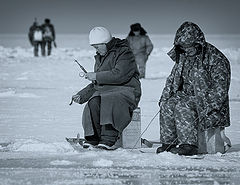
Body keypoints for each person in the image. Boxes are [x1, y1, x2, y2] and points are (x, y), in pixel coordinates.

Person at [157, 22, 231, 156]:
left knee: (183, 106)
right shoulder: (183, 57)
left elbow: (220, 90)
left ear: (198, 43)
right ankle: (168, 143)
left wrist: (206, 106)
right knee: (168, 105)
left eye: (189, 47)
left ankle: (189, 145)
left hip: (209, 104)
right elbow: (172, 80)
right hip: (186, 96)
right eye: (183, 48)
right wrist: (164, 98)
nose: (186, 51)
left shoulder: (216, 59)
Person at [71, 27, 141, 150]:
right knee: (94, 101)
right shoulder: (100, 57)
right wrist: (81, 95)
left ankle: (109, 139)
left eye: (97, 46)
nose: (96, 50)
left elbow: (120, 74)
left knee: (109, 100)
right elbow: (97, 84)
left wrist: (96, 75)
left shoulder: (124, 53)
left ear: (105, 43)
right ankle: (93, 138)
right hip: (106, 91)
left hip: (126, 90)